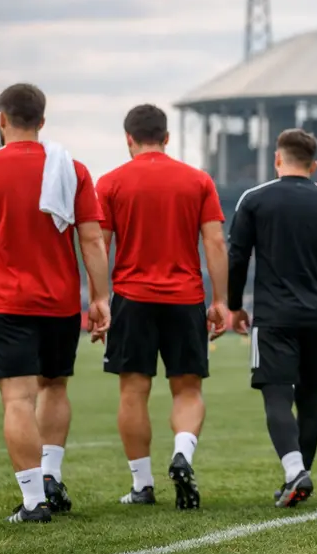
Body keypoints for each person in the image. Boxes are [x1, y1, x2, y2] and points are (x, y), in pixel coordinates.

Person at [0, 82, 111, 523]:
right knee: (55, 386)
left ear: (1, 119)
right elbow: (92, 240)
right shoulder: (73, 169)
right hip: (60, 301)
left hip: (6, 303)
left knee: (17, 399)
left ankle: (35, 501)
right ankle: (51, 476)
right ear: (42, 121)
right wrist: (100, 297)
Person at [95, 104, 231, 510]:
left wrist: (98, 300)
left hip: (132, 300)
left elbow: (99, 246)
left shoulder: (111, 182)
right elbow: (215, 244)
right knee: (187, 389)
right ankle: (183, 456)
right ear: (167, 138)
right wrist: (221, 300)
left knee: (133, 391)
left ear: (128, 139)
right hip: (186, 298)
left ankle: (142, 485)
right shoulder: (197, 180)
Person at [227, 128, 317, 508]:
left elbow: (238, 256)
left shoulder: (254, 200)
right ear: (314, 164)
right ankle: (299, 473)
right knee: (310, 399)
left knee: (276, 392)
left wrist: (233, 303)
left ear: (278, 159)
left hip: (274, 316)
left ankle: (294, 473)